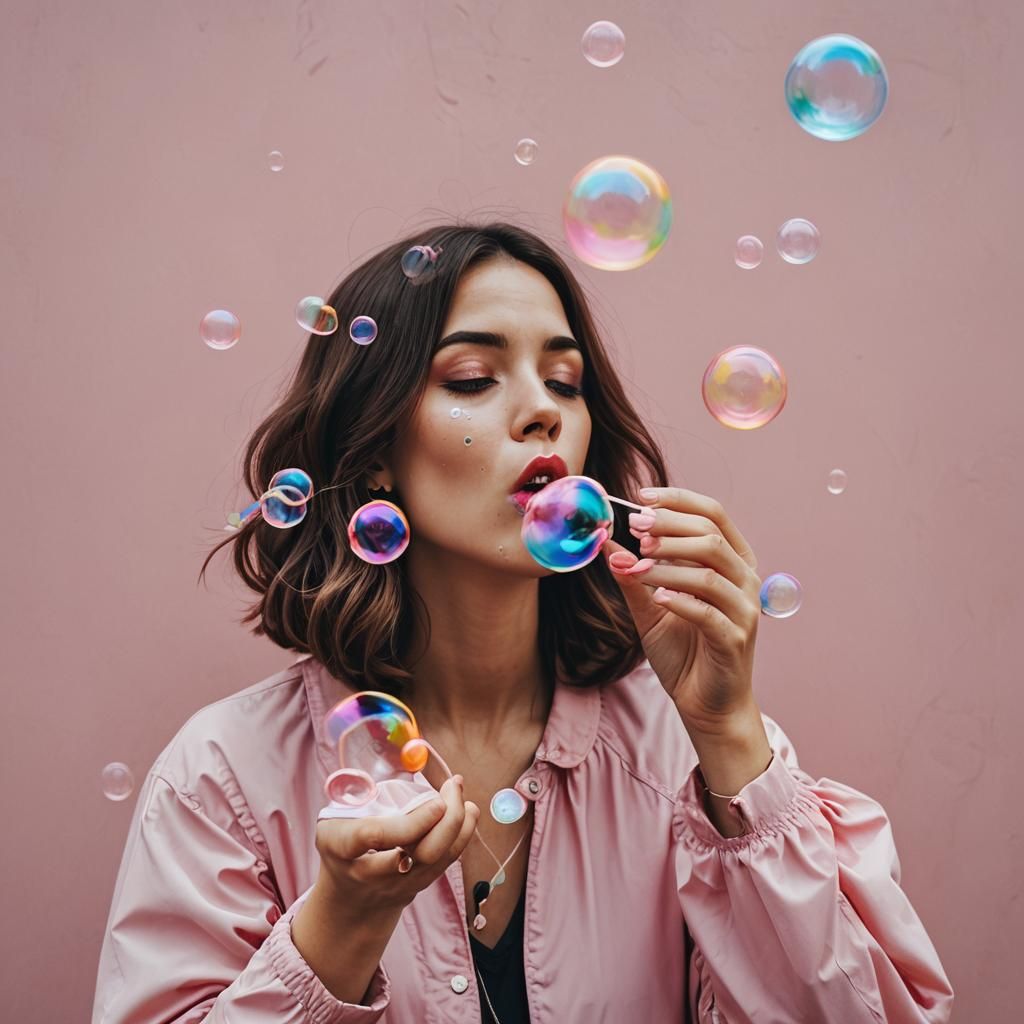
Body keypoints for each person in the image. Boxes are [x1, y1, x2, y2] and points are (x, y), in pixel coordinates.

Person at [92, 222, 954, 1023]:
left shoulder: (679, 759)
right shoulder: (224, 778)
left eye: (565, 382)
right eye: (472, 378)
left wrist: (727, 731)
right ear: (376, 454)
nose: (542, 409)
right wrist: (341, 930)